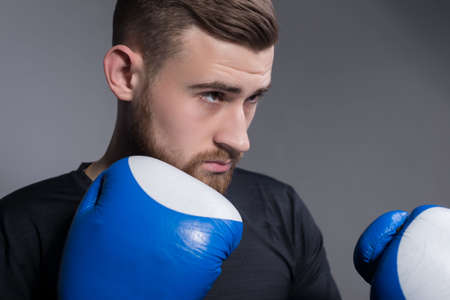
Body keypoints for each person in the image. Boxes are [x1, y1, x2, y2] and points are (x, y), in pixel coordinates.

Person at [0, 1, 341, 299]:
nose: (240, 140)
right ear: (125, 75)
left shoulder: (281, 210)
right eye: (213, 95)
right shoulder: (17, 230)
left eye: (252, 98)